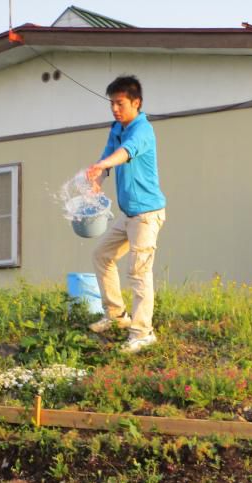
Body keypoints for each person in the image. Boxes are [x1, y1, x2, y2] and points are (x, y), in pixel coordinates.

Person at [85, 75, 166, 354]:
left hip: (146, 215)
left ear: (136, 102)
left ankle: (143, 332)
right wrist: (99, 175)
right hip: (128, 214)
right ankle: (116, 316)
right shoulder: (117, 127)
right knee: (102, 256)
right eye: (112, 104)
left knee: (138, 271)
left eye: (120, 103)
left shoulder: (142, 130)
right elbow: (108, 154)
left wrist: (106, 163)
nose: (115, 109)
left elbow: (123, 153)